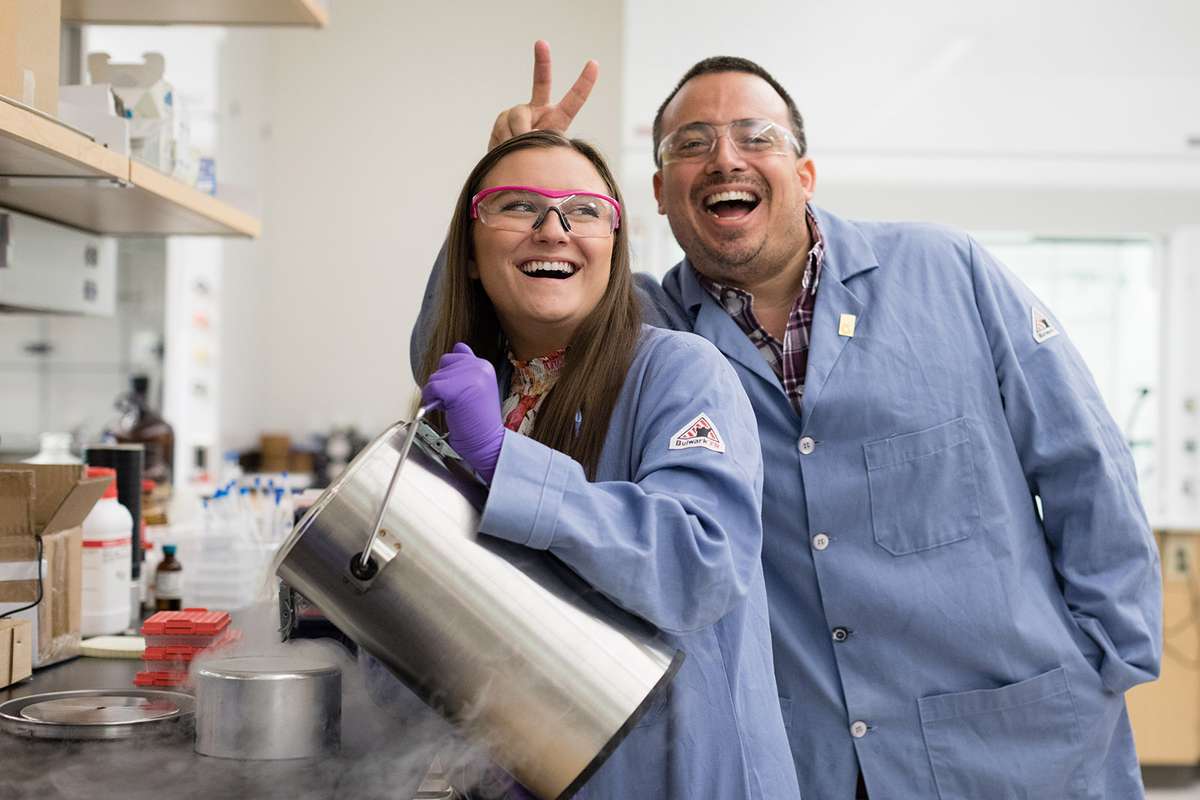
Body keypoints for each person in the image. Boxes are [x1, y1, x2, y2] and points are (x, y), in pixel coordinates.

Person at [414, 43, 1163, 800]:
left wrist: (1110, 659)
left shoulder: (947, 271)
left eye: (756, 136)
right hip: (812, 763)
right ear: (661, 194)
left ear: (804, 175)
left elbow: (1083, 460)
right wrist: (514, 181)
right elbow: (460, 351)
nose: (723, 158)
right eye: (691, 145)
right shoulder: (646, 330)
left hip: (1014, 746)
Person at [416, 129, 801, 799]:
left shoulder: (681, 372)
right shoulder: (478, 394)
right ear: (470, 254)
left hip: (675, 776)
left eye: (585, 210)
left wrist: (503, 461)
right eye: (516, 206)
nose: (553, 228)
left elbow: (698, 563)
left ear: (616, 248)